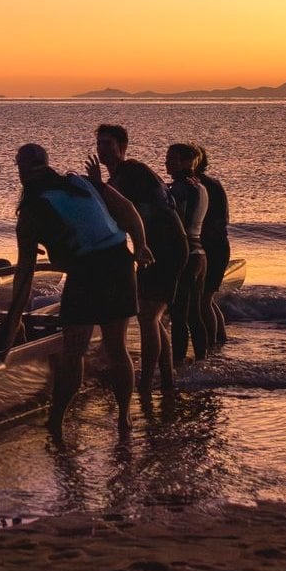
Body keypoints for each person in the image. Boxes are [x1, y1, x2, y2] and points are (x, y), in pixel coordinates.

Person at [0, 143, 153, 441]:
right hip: (119, 263)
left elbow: (25, 272)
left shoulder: (31, 210)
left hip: (87, 272)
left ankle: (56, 421)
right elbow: (128, 210)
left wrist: (14, 319)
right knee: (116, 347)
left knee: (73, 352)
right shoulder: (80, 183)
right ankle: (124, 418)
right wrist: (140, 245)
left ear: (22, 169)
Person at [91, 124, 190, 405]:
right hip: (154, 248)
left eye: (108, 144)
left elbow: (121, 205)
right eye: (99, 144)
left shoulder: (132, 171)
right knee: (152, 316)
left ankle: (145, 385)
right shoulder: (118, 177)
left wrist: (98, 185)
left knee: (148, 316)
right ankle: (167, 381)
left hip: (167, 248)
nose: (102, 149)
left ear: (122, 147)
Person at [163, 141, 211, 364]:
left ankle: (178, 363)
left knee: (179, 315)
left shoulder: (180, 189)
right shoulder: (200, 187)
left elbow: (177, 223)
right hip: (199, 254)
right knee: (195, 314)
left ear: (186, 162)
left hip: (185, 255)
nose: (167, 163)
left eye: (172, 159)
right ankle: (202, 360)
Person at [197, 149, 231, 351]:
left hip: (212, 248)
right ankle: (220, 341)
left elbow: (208, 223)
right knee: (206, 299)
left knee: (203, 300)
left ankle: (211, 346)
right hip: (219, 246)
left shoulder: (201, 186)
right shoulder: (213, 183)